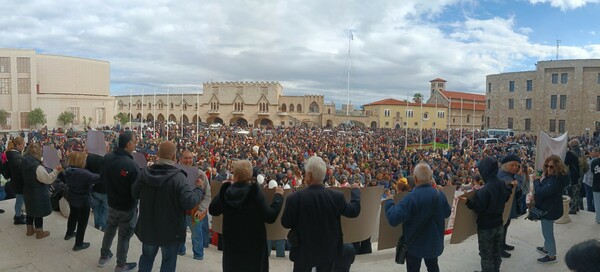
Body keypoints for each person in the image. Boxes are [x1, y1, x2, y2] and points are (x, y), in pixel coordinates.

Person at [133, 141, 205, 272]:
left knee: (147, 258)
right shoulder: (179, 178)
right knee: (168, 262)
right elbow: (189, 202)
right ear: (174, 157)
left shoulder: (144, 173)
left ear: (158, 155)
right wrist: (199, 189)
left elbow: (134, 193)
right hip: (171, 231)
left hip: (148, 227)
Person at [281, 155, 361, 272]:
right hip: (328, 252)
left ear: (308, 175)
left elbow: (286, 223)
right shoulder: (336, 197)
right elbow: (354, 211)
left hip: (303, 251)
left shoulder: (293, 198)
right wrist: (356, 192)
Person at [209, 160, 284, 272]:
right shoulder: (255, 193)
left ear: (235, 175)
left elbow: (213, 210)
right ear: (250, 175)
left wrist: (223, 190)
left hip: (232, 250)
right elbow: (270, 216)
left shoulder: (226, 192)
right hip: (254, 252)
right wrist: (278, 197)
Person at [384, 162, 451, 272]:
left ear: (415, 179)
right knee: (433, 266)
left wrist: (389, 201)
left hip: (414, 245)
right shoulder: (440, 195)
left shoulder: (412, 198)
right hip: (434, 243)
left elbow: (393, 219)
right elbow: (447, 213)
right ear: (430, 177)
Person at [98, 131, 139, 272]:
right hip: (127, 207)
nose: (136, 144)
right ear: (128, 144)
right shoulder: (131, 165)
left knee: (109, 229)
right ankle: (121, 265)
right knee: (124, 236)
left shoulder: (107, 157)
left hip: (111, 203)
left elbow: (101, 178)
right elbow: (137, 190)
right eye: (134, 141)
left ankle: (103, 256)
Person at [460, 156, 511, 272]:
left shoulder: (484, 190)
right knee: (496, 252)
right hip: (499, 224)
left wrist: (468, 202)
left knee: (486, 254)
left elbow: (478, 208)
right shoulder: (502, 184)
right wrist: (510, 187)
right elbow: (506, 197)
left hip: (486, 228)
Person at [21, 143, 63, 239]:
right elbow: (48, 179)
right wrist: (56, 171)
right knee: (38, 212)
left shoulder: (24, 161)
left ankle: (29, 230)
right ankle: (39, 232)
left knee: (30, 210)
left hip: (27, 190)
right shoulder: (37, 167)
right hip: (37, 192)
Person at [533, 154, 569, 264]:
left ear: (557, 167)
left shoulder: (554, 181)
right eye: (547, 166)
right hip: (551, 208)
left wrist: (536, 181)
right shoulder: (556, 177)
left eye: (551, 167)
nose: (548, 168)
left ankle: (552, 256)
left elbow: (540, 193)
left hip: (548, 210)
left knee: (547, 233)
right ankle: (546, 248)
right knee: (547, 231)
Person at [177, 150, 211, 261]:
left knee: (197, 234)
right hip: (181, 211)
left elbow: (208, 195)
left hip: (195, 212)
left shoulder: (200, 174)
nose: (188, 160)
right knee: (180, 232)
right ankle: (180, 250)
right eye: (186, 158)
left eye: (190, 158)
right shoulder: (177, 173)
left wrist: (201, 209)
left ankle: (198, 254)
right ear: (181, 159)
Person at [64, 151, 101, 251]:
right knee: (82, 221)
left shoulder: (68, 170)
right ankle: (79, 244)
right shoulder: (84, 173)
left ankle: (69, 233)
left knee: (73, 215)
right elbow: (99, 178)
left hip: (71, 196)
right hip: (83, 200)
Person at [497, 154, 521, 258]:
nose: (515, 168)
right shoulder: (503, 176)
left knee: (505, 225)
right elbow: (515, 186)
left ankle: (503, 244)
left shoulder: (508, 174)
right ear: (505, 165)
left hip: (506, 206)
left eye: (517, 166)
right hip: (502, 207)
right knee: (502, 227)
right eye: (513, 165)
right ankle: (499, 249)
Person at [3, 137, 26, 224]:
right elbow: (20, 172)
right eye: (23, 145)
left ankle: (18, 214)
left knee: (19, 200)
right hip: (19, 183)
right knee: (19, 201)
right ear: (18, 145)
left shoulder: (12, 154)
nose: (24, 146)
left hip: (15, 181)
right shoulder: (16, 157)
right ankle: (17, 218)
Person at [88, 143, 109, 231]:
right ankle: (103, 226)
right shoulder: (109, 159)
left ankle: (97, 224)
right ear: (106, 148)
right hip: (106, 189)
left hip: (95, 187)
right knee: (105, 209)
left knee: (96, 208)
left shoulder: (91, 158)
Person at [564, 139, 582, 214]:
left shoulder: (570, 153)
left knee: (573, 192)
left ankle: (573, 208)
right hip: (580, 175)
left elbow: (565, 163)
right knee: (577, 192)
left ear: (571, 145)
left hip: (573, 175)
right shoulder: (581, 152)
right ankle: (577, 206)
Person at [592, 147, 600, 224]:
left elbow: (592, 171)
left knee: (597, 203)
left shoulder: (594, 162)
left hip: (596, 184)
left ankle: (598, 218)